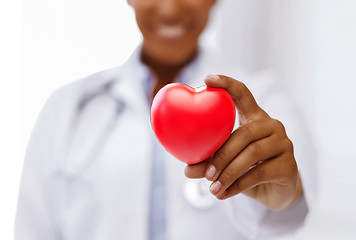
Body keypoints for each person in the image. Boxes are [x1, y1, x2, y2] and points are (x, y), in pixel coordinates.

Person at [15, 0, 316, 239]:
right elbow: (33, 228)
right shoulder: (68, 107)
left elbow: (293, 211)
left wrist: (284, 193)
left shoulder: (267, 98)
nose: (170, 8)